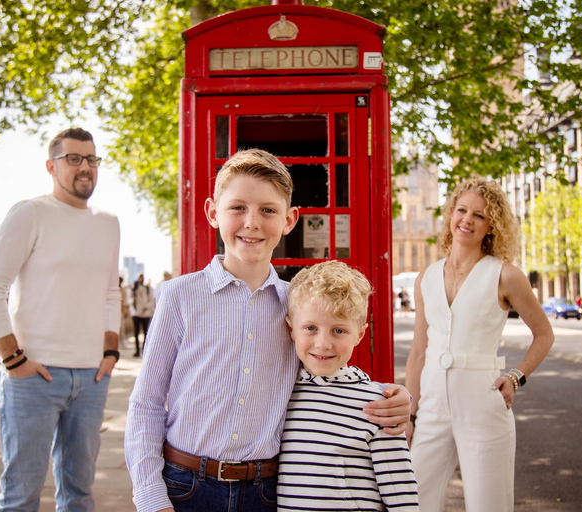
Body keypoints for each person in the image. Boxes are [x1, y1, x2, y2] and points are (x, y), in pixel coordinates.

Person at [125, 148, 411, 512]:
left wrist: (392, 396)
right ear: (213, 212)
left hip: (266, 492)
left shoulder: (295, 304)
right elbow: (146, 404)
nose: (252, 222)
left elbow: (328, 366)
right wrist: (150, 496)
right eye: (238, 208)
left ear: (290, 219)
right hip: (184, 486)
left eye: (268, 210)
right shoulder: (178, 295)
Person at [0, 127, 121, 512]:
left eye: (91, 159)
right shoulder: (31, 213)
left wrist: (110, 352)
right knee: (21, 495)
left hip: (91, 377)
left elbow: (110, 292)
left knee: (79, 493)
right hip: (32, 378)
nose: (84, 167)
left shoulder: (108, 223)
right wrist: (12, 359)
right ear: (51, 166)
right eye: (73, 159)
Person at [404, 177, 554, 512]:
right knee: (412, 501)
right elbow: (418, 351)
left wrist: (516, 377)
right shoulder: (425, 278)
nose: (467, 220)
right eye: (462, 210)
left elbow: (544, 334)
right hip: (431, 407)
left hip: (482, 405)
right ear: (451, 214)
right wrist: (410, 415)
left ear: (491, 226)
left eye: (479, 216)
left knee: (489, 504)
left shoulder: (505, 275)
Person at [277, 260, 419, 511]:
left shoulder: (379, 404)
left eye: (338, 331)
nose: (323, 343)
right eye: (310, 328)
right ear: (291, 329)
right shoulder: (280, 392)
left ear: (360, 334)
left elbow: (401, 491)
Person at [131, 273, 155, 357]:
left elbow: (151, 299)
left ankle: (145, 350)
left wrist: (146, 307)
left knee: (146, 332)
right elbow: (130, 299)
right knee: (136, 332)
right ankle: (137, 350)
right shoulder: (134, 288)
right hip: (136, 313)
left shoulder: (147, 288)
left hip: (145, 313)